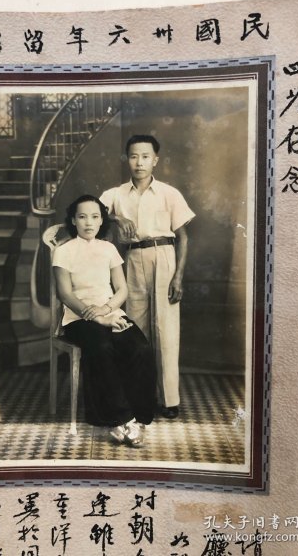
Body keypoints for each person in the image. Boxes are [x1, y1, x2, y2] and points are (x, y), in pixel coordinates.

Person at [100, 135, 195, 419]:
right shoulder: (116, 194)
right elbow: (89, 210)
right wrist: (117, 218)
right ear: (126, 159)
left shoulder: (169, 193)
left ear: (155, 160)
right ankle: (140, 396)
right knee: (135, 330)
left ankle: (169, 400)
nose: (139, 162)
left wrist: (178, 277)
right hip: (131, 259)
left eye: (145, 156)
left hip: (164, 257)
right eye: (133, 156)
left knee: (166, 329)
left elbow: (183, 237)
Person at [52, 194, 156, 447]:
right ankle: (121, 419)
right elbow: (65, 294)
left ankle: (138, 417)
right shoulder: (64, 251)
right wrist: (97, 317)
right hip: (78, 317)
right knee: (101, 346)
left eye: (95, 217)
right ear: (73, 220)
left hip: (110, 312)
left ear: (101, 221)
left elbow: (122, 289)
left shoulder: (108, 249)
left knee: (140, 346)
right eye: (82, 217)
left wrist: (108, 310)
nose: (89, 222)